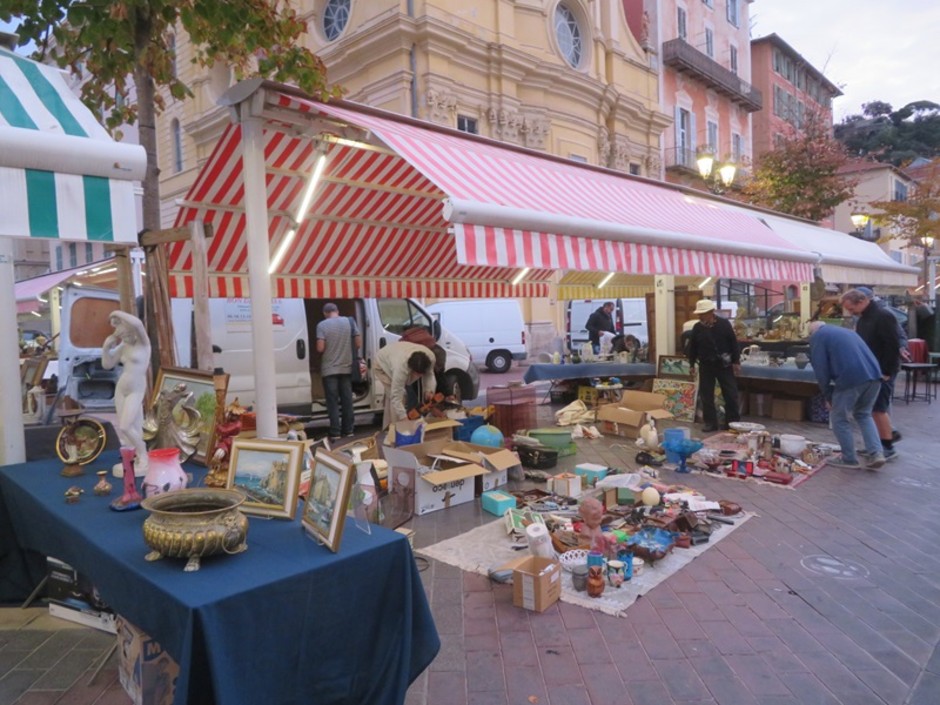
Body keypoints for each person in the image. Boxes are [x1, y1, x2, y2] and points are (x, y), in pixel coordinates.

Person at [807, 321, 885, 469]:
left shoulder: (818, 337)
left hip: (851, 378)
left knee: (839, 418)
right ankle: (876, 453)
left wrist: (828, 396)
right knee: (864, 414)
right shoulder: (846, 332)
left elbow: (821, 369)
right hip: (874, 375)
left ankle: (849, 458)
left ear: (812, 333)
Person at [841, 288, 901, 461]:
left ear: (861, 302)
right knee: (871, 409)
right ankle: (877, 445)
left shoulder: (882, 316)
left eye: (852, 309)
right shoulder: (864, 319)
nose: (851, 313)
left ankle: (887, 447)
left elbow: (892, 345)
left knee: (878, 409)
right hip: (871, 370)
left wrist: (887, 371)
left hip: (882, 370)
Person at [101, 311, 151, 474]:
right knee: (131, 428)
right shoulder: (123, 347)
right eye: (121, 336)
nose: (125, 339)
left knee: (125, 426)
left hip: (136, 388)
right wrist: (106, 348)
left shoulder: (144, 344)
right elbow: (107, 365)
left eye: (126, 334)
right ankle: (134, 456)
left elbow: (137, 323)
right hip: (122, 388)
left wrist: (115, 313)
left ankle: (143, 454)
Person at [687, 299, 741, 432]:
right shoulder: (697, 328)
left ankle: (732, 422)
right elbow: (692, 347)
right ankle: (710, 423)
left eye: (702, 313)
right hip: (706, 364)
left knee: (730, 393)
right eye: (699, 314)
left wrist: (736, 362)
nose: (700, 316)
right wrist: (691, 364)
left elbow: (733, 343)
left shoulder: (724, 324)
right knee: (706, 395)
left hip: (724, 364)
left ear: (711, 312)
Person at [315, 303, 362, 442]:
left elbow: (320, 348)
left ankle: (335, 431)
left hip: (329, 369)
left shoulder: (322, 325)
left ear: (325, 313)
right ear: (337, 311)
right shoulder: (349, 322)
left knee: (333, 401)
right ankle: (348, 430)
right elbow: (358, 343)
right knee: (347, 400)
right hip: (346, 367)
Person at [373, 340, 437, 427]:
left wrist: (429, 390)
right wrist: (404, 418)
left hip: (394, 354)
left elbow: (430, 374)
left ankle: (389, 430)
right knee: (399, 396)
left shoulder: (431, 357)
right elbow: (396, 397)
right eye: (418, 374)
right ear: (411, 369)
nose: (420, 376)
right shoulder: (401, 368)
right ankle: (398, 429)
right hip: (381, 364)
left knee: (391, 398)